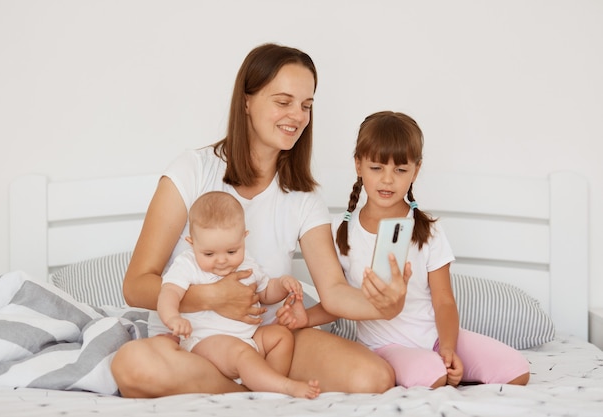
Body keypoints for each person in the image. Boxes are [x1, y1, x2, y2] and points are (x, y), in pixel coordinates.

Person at [111, 43, 410, 398]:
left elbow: (333, 291)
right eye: (283, 102)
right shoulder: (192, 171)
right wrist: (211, 297)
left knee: (373, 377)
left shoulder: (303, 196)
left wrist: (383, 305)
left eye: (306, 106)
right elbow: (135, 285)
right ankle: (253, 393)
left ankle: (251, 384)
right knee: (132, 365)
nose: (297, 116)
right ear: (247, 101)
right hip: (192, 342)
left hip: (266, 344)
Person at [331, 110, 531, 388]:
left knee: (516, 369)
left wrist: (448, 347)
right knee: (432, 375)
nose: (387, 180)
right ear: (358, 165)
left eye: (400, 170)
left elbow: (444, 300)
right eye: (377, 168)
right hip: (385, 345)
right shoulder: (341, 231)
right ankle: (435, 368)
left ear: (416, 170)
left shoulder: (428, 230)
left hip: (435, 336)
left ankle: (444, 361)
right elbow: (335, 298)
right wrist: (303, 316)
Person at [154, 191, 320, 398]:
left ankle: (264, 389)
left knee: (282, 337)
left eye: (231, 251)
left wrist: (283, 284)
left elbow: (266, 292)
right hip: (206, 343)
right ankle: (284, 387)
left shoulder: (247, 262)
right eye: (209, 254)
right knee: (240, 353)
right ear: (191, 243)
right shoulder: (187, 265)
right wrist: (173, 318)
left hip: (248, 339)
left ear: (244, 237)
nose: (222, 260)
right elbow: (168, 293)